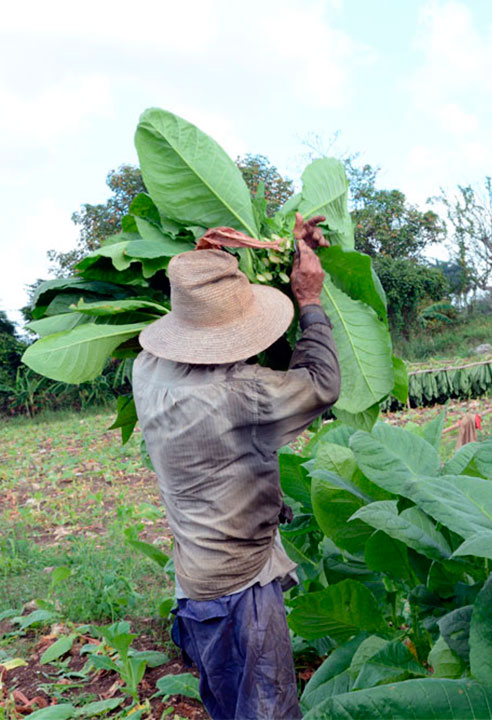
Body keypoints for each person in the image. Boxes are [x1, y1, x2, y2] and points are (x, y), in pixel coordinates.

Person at [132, 214, 340, 719]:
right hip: (241, 592)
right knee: (268, 712)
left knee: (227, 705)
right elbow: (321, 383)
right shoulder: (240, 394)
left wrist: (218, 256)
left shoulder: (147, 370)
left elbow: (223, 347)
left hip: (193, 583)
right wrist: (309, 300)